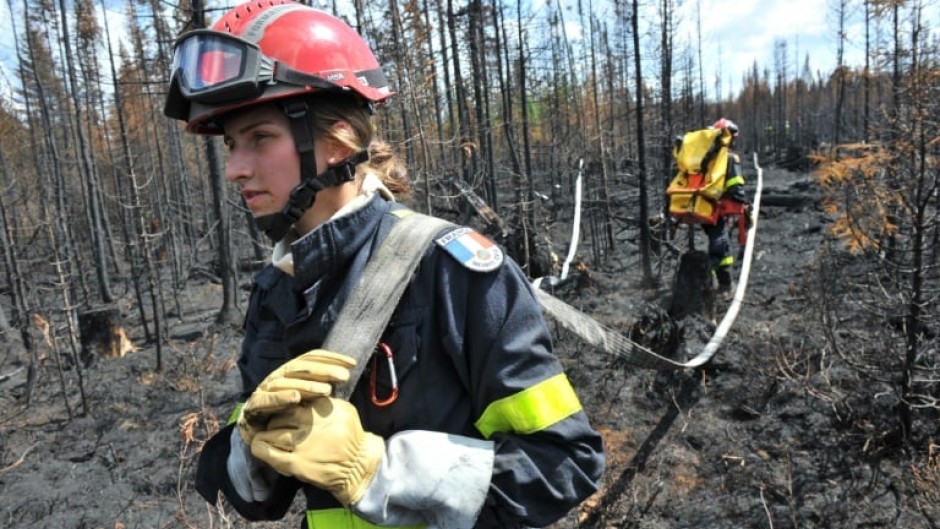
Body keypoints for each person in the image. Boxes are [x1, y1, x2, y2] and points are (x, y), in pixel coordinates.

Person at [163, 2, 605, 528]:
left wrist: (376, 472)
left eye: (260, 138)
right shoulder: (277, 289)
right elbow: (257, 501)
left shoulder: (451, 272)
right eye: (233, 145)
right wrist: (249, 444)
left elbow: (565, 465)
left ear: (337, 141)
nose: (235, 168)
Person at [702, 118, 750, 295]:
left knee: (722, 243)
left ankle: (725, 284)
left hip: (704, 207)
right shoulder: (729, 158)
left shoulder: (704, 158)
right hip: (720, 208)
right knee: (720, 243)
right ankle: (707, 276)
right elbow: (736, 184)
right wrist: (741, 202)